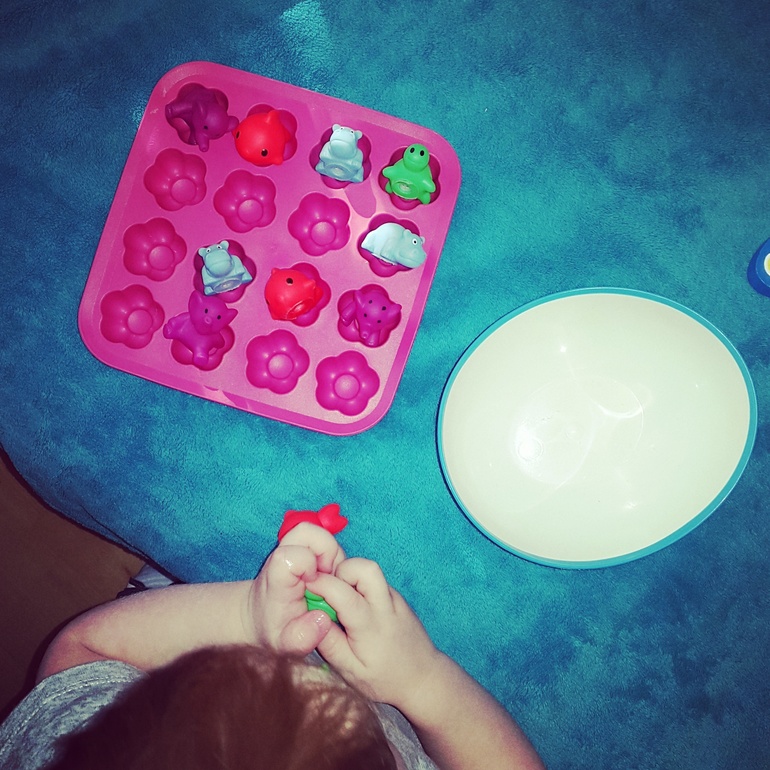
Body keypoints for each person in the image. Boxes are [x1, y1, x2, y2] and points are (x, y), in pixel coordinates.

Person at [0, 523, 545, 770]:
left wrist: (245, 617)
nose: (311, 664)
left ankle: (180, 601)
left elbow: (82, 652)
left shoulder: (70, 750)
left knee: (173, 585)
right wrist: (424, 681)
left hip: (141, 650)